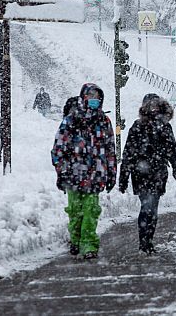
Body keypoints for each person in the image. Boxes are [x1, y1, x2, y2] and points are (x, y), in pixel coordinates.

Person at [51, 83, 117, 259]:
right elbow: (58, 147)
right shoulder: (71, 120)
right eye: (91, 96)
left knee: (91, 210)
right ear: (83, 97)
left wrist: (111, 173)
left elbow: (110, 150)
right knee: (75, 211)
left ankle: (88, 244)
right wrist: (61, 170)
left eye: (97, 97)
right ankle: (76, 239)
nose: (94, 99)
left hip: (95, 175)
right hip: (73, 174)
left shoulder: (104, 121)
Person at [119, 93, 176, 254]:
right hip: (140, 174)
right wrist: (124, 176)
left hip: (158, 174)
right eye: (150, 105)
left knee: (152, 208)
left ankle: (148, 240)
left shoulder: (165, 126)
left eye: (156, 105)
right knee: (147, 206)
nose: (153, 108)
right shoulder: (137, 126)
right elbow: (128, 153)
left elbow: (172, 149)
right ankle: (144, 242)